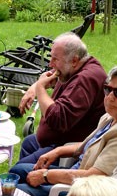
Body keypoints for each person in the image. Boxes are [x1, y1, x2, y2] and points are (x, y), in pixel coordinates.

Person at [10, 62, 117, 196]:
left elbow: (97, 176)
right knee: (17, 171)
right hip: (78, 173)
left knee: (18, 191)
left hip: (86, 193)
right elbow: (91, 144)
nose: (109, 97)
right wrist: (58, 151)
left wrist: (46, 176)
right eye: (107, 89)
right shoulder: (116, 115)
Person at [15, 32, 107, 165]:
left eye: (55, 59)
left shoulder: (84, 80)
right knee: (29, 142)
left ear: (74, 60)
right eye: (50, 58)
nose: (50, 64)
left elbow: (58, 120)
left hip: (65, 149)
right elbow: (52, 74)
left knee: (16, 172)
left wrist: (40, 88)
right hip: (54, 141)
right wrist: (33, 88)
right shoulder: (76, 66)